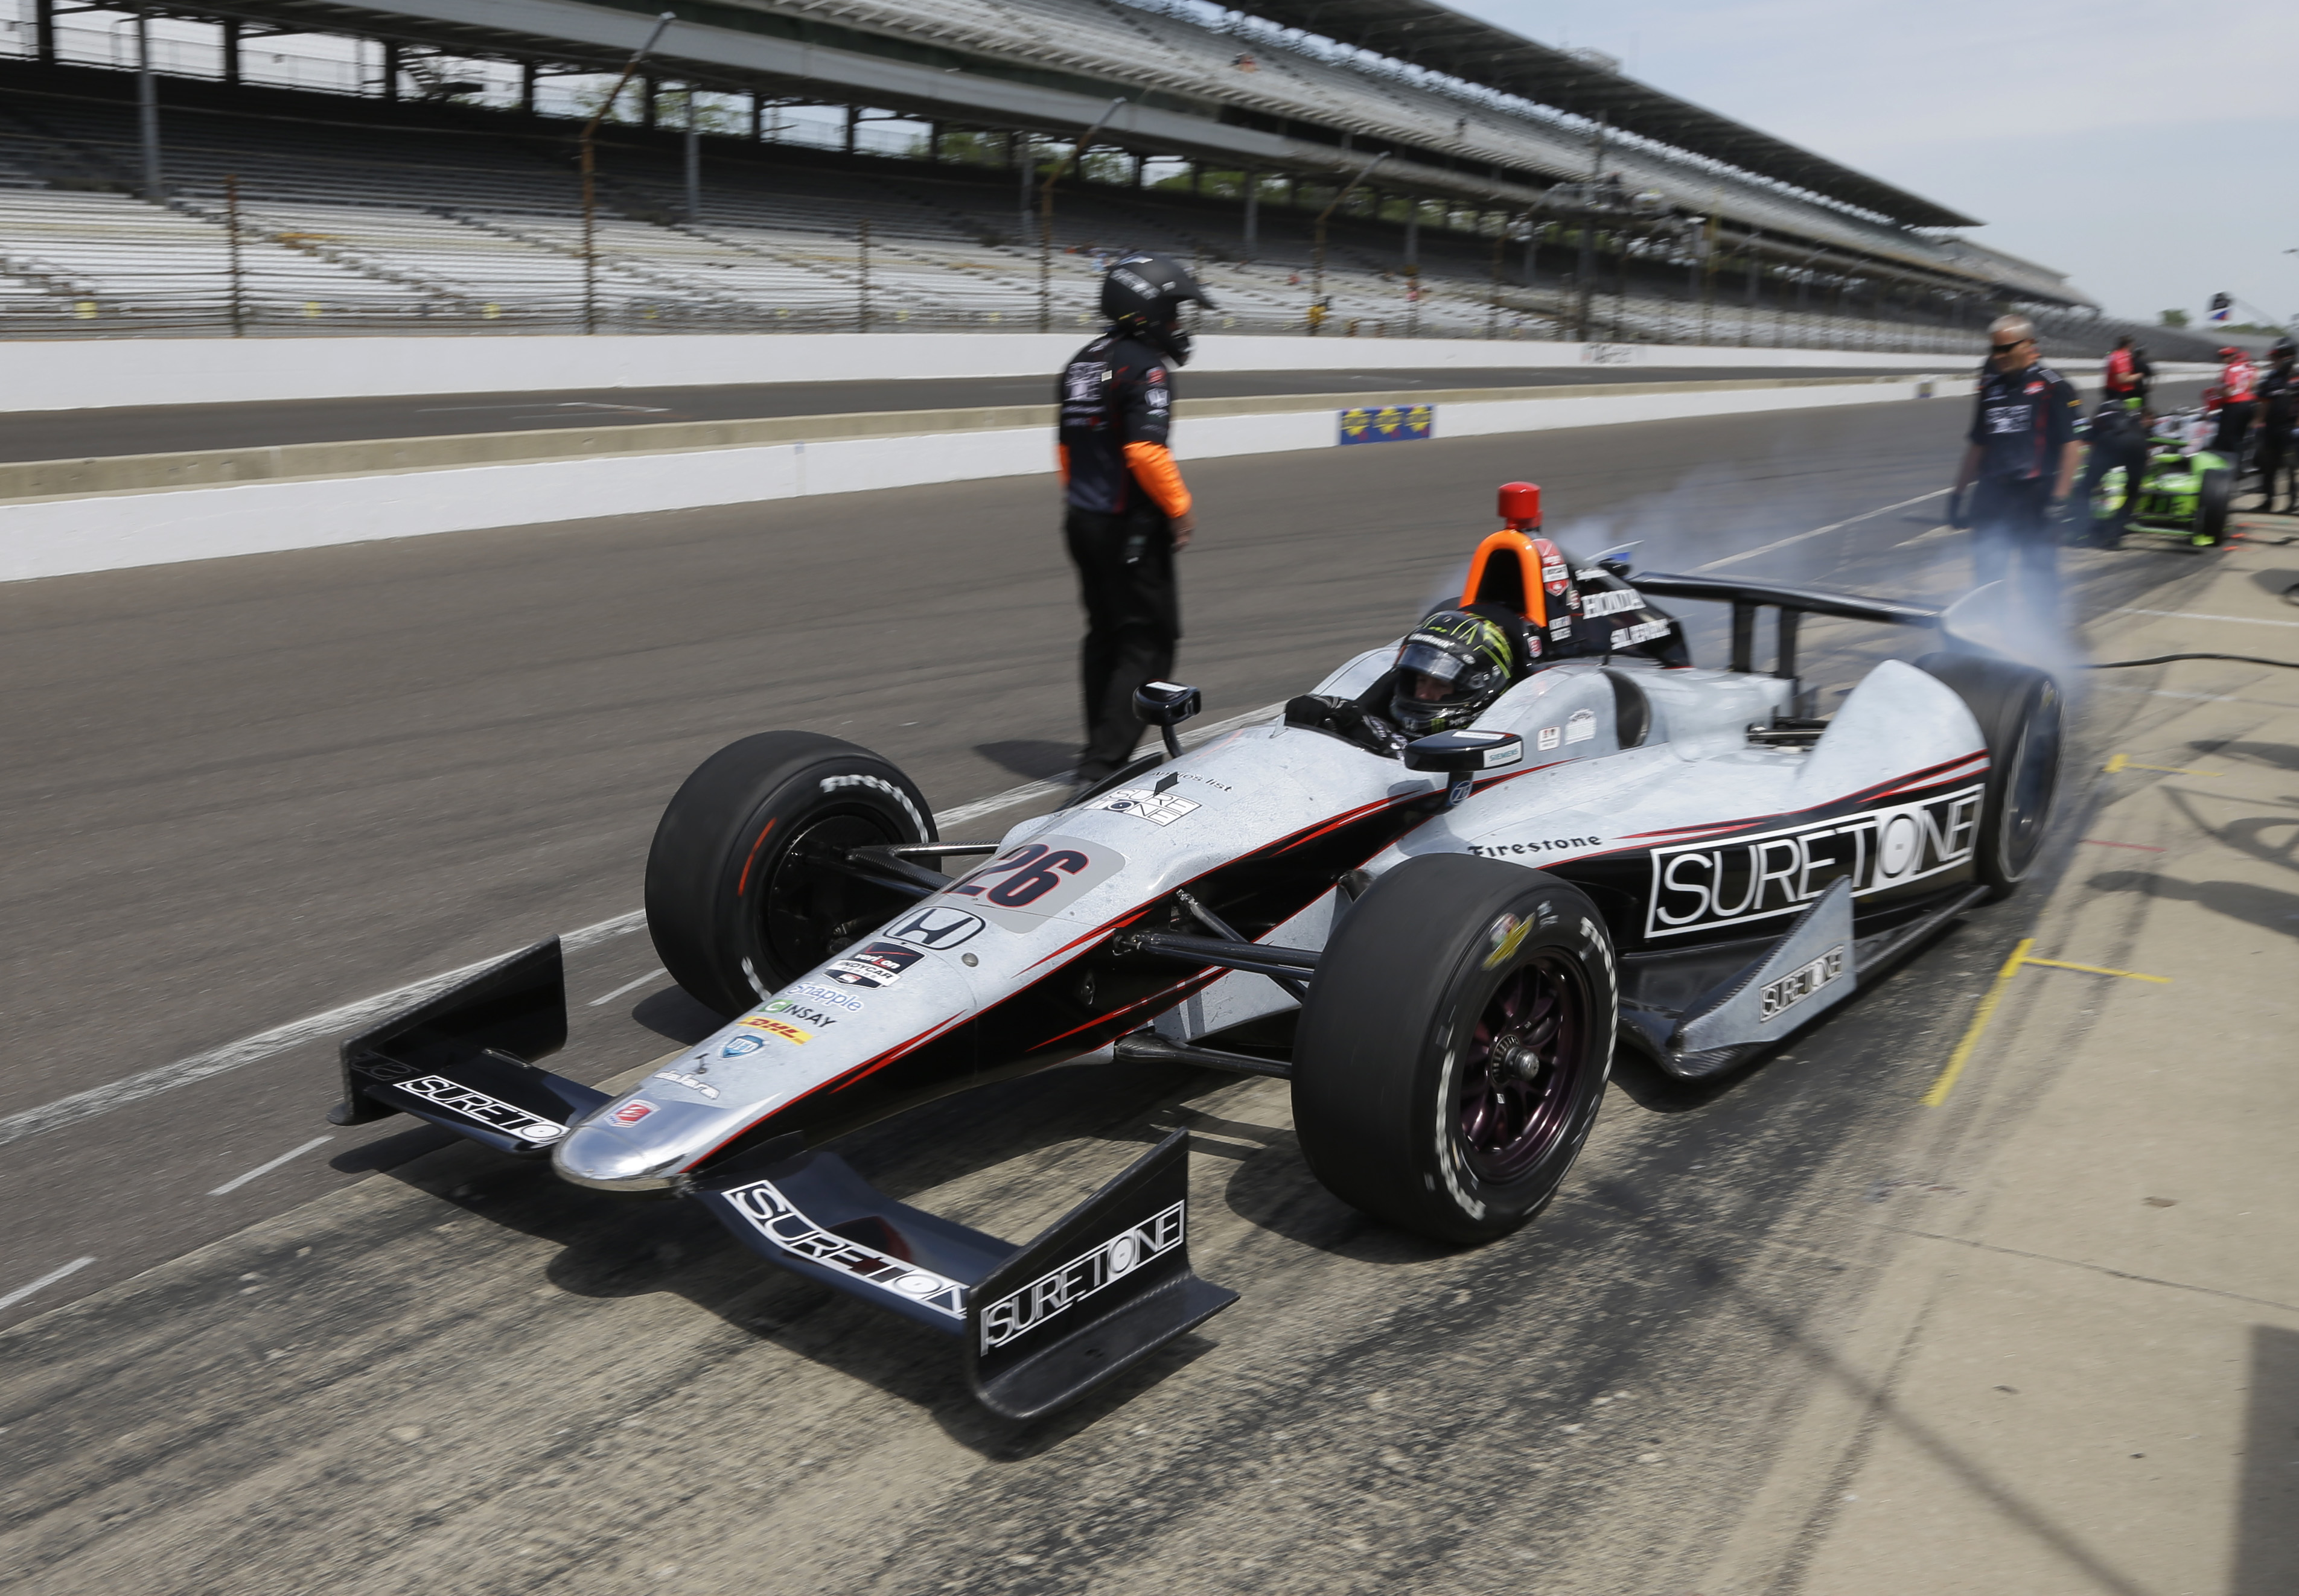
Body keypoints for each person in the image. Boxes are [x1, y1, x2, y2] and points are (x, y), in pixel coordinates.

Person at [1057, 250, 1213, 789]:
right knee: (1148, 640)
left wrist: (1085, 505)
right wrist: (1180, 509)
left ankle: (1097, 746)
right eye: (1172, 311)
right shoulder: (1144, 368)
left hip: (1083, 518)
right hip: (1129, 527)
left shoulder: (1081, 361)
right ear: (1144, 310)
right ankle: (1102, 766)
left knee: (1104, 634)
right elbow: (1145, 452)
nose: (1177, 324)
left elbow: (1066, 453)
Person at [1948, 316, 2081, 617]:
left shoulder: (2053, 386)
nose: (1999, 357)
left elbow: (2072, 447)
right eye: (1995, 350)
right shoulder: (1989, 388)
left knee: (2038, 574)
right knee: (1986, 574)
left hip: (2035, 496)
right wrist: (1957, 495)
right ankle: (1992, 639)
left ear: (2030, 345)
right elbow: (1978, 445)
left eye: (2007, 349)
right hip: (1991, 495)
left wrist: (2059, 500)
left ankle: (2044, 639)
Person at [2255, 340, 2296, 513]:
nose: (2274, 362)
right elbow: (2264, 403)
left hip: (2290, 429)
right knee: (2267, 467)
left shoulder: (2297, 378)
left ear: (2287, 357)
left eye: (2277, 358)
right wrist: (2258, 423)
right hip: (2271, 428)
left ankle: (2292, 502)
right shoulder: (2270, 379)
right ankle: (2268, 500)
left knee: (2290, 467)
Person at [2213, 345, 2258, 463]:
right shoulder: (2249, 368)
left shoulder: (2231, 369)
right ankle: (2241, 464)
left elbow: (2229, 391)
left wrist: (2218, 391)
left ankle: (2229, 466)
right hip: (2249, 403)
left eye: (2223, 357)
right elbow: (2253, 385)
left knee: (2229, 438)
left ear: (2231, 357)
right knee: (2240, 436)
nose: (2222, 360)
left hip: (2234, 406)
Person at [2103, 335, 2143, 403]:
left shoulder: (2113, 355)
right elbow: (2122, 379)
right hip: (2120, 392)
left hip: (2111, 389)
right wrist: (2139, 375)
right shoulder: (2123, 357)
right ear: (2130, 345)